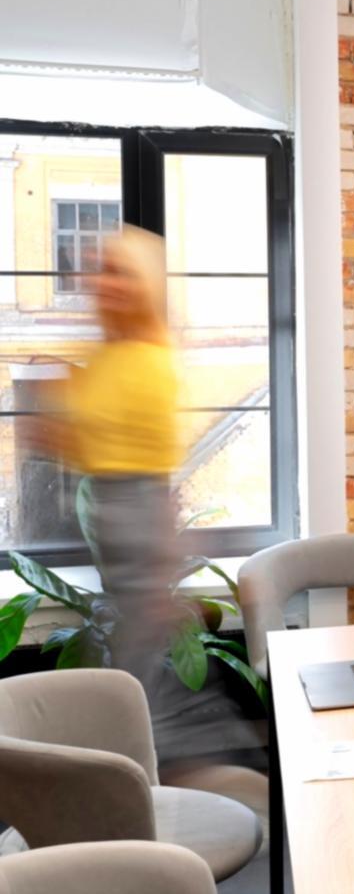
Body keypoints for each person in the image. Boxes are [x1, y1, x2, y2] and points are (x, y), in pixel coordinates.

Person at [25, 228, 184, 733]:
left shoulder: (148, 358)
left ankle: (160, 779)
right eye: (99, 271)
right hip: (113, 515)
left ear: (143, 285)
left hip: (136, 516)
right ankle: (154, 770)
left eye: (116, 271)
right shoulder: (110, 354)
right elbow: (78, 440)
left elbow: (103, 441)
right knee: (135, 667)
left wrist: (58, 404)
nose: (101, 282)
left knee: (137, 676)